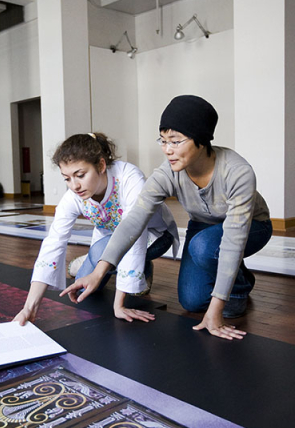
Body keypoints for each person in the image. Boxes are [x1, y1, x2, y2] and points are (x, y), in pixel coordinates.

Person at [62, 96, 272, 341]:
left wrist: (216, 310)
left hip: (251, 227)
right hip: (203, 227)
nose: (167, 149)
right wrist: (100, 272)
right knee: (192, 301)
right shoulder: (168, 172)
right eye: (163, 141)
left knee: (213, 269)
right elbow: (134, 220)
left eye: (175, 141)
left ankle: (239, 285)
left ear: (201, 140)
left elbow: (234, 239)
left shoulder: (237, 172)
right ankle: (233, 273)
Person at [13, 132, 178, 326]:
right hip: (107, 243)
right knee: (84, 290)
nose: (74, 185)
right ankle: (114, 264)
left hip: (154, 236)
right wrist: (29, 308)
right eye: (66, 178)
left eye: (80, 175)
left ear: (100, 165)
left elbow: (134, 232)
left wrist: (119, 305)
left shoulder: (129, 178)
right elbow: (53, 242)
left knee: (105, 252)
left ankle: (139, 265)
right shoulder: (74, 195)